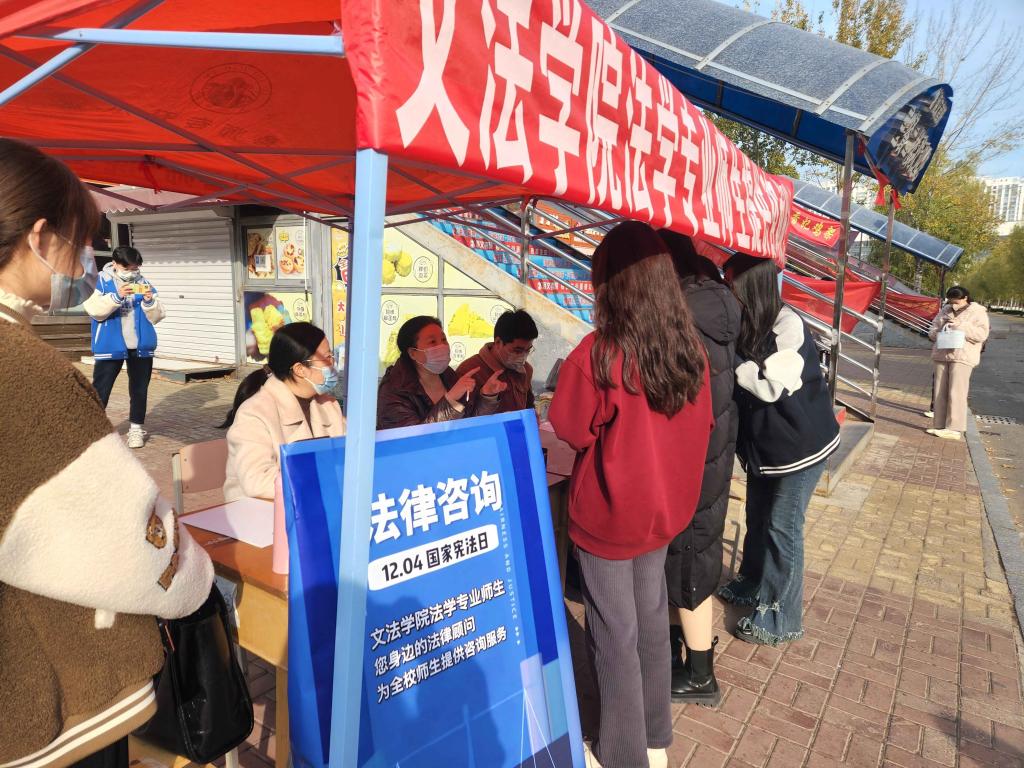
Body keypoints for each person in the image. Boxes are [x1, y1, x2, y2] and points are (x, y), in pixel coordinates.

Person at [0, 138, 213, 768]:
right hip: (54, 695)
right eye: (80, 240)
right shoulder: (26, 371)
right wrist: (196, 578)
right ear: (40, 238)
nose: (84, 258)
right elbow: (130, 542)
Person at [549, 222, 713, 768]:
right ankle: (654, 735)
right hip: (665, 511)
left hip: (609, 514)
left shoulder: (598, 353)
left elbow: (570, 426)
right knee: (648, 621)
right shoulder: (688, 349)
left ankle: (621, 752)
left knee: (613, 632)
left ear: (609, 284)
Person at [717, 252, 840, 647]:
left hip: (800, 447)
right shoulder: (747, 320)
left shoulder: (788, 324)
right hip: (766, 449)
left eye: (732, 284)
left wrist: (733, 359)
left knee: (782, 528)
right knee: (757, 516)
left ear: (751, 285)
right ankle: (752, 582)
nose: (728, 291)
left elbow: (771, 387)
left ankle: (780, 615)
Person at [658, 230, 742, 707]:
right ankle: (678, 659)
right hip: (713, 449)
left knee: (688, 561)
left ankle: (700, 675)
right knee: (688, 557)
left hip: (693, 456)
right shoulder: (717, 304)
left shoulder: (683, 317)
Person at [221, 322, 346, 502]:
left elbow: (350, 453)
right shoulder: (253, 414)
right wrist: (324, 480)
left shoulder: (328, 405)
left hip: (317, 505)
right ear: (300, 369)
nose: (332, 364)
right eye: (327, 358)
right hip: (260, 512)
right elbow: (258, 481)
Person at [84, 245, 165, 449]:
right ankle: (92, 430)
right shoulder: (100, 281)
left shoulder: (144, 283)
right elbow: (94, 310)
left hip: (140, 346)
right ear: (115, 263)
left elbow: (157, 316)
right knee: (101, 389)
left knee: (139, 389)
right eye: (127, 268)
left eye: (135, 268)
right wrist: (117, 296)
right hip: (110, 345)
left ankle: (136, 429)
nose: (131, 272)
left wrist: (149, 302)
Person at [376, 315, 506, 429]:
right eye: (432, 342)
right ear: (413, 353)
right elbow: (415, 441)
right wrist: (451, 399)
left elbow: (470, 423)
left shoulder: (449, 376)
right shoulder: (394, 390)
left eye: (444, 340)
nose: (442, 346)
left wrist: (487, 396)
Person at [927, 286, 990, 440]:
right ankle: (940, 425)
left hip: (963, 356)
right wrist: (941, 329)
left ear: (965, 298)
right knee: (940, 391)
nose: (953, 305)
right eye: (951, 302)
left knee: (957, 392)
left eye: (956, 302)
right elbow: (932, 330)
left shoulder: (978, 312)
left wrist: (961, 327)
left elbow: (982, 334)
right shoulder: (945, 310)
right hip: (942, 354)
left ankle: (955, 428)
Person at [454, 309, 538, 414]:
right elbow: (462, 419)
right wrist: (487, 397)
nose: (523, 356)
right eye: (517, 351)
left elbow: (529, 407)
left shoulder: (526, 369)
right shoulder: (469, 371)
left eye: (528, 350)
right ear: (498, 342)